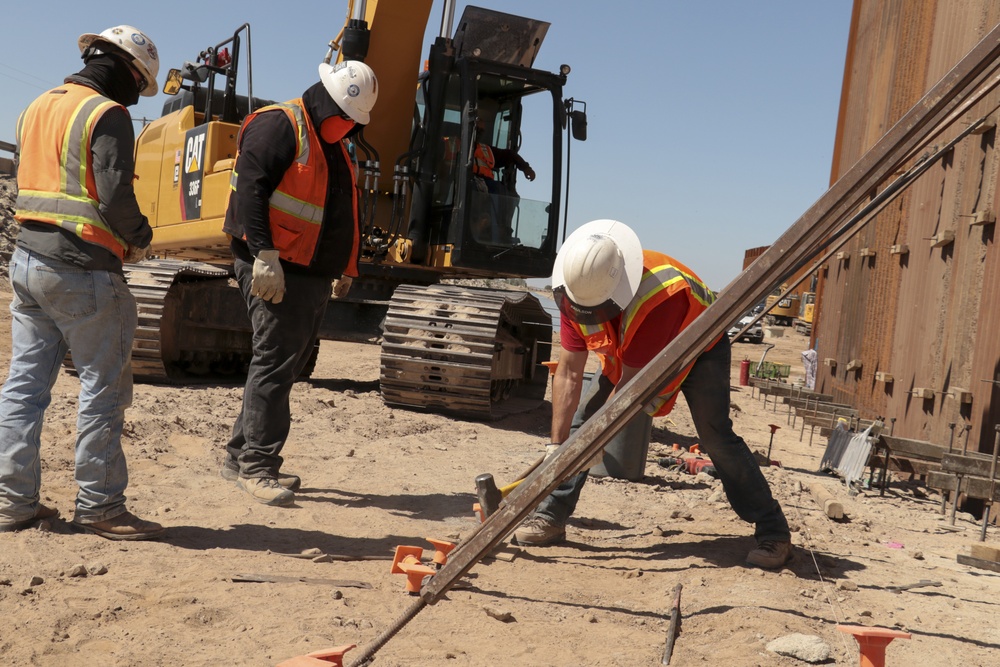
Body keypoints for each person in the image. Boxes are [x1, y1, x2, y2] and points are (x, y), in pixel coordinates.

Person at [513, 219, 794, 569]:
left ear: (619, 292)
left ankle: (774, 531)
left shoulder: (660, 296)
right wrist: (557, 448)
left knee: (715, 436)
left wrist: (594, 442)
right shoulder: (576, 289)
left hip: (699, 346)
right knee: (581, 424)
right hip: (630, 349)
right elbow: (569, 372)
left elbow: (630, 392)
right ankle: (551, 516)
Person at [0, 26, 164, 540]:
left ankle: (11, 501)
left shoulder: (37, 106)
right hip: (83, 269)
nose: (137, 94)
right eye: (139, 82)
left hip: (26, 261)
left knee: (24, 387)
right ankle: (100, 506)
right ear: (126, 70)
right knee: (103, 390)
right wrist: (141, 238)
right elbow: (115, 196)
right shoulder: (105, 113)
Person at [220, 60, 378, 506]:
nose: (350, 127)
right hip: (277, 266)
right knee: (274, 363)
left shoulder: (332, 142)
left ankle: (239, 457)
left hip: (309, 271)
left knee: (284, 364)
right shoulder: (279, 125)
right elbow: (250, 189)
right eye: (347, 117)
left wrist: (346, 267)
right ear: (327, 100)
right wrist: (264, 254)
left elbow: (341, 209)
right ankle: (258, 467)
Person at [470, 110, 535, 243]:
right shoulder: (457, 145)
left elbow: (510, 155)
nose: (479, 133)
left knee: (509, 195)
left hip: (486, 183)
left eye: (481, 131)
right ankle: (474, 228)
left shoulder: (486, 150)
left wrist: (525, 167)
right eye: (477, 129)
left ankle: (500, 230)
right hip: (467, 181)